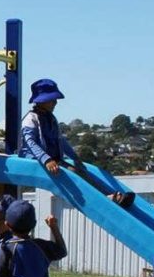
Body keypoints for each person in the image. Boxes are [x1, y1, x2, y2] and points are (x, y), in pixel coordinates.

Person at [20, 78, 135, 207]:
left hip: (54, 159)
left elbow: (61, 140)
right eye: (52, 100)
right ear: (42, 101)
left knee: (81, 171)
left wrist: (75, 157)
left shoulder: (51, 118)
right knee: (73, 174)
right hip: (38, 160)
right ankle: (106, 198)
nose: (55, 102)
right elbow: (30, 142)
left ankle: (111, 194)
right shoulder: (31, 119)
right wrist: (46, 159)